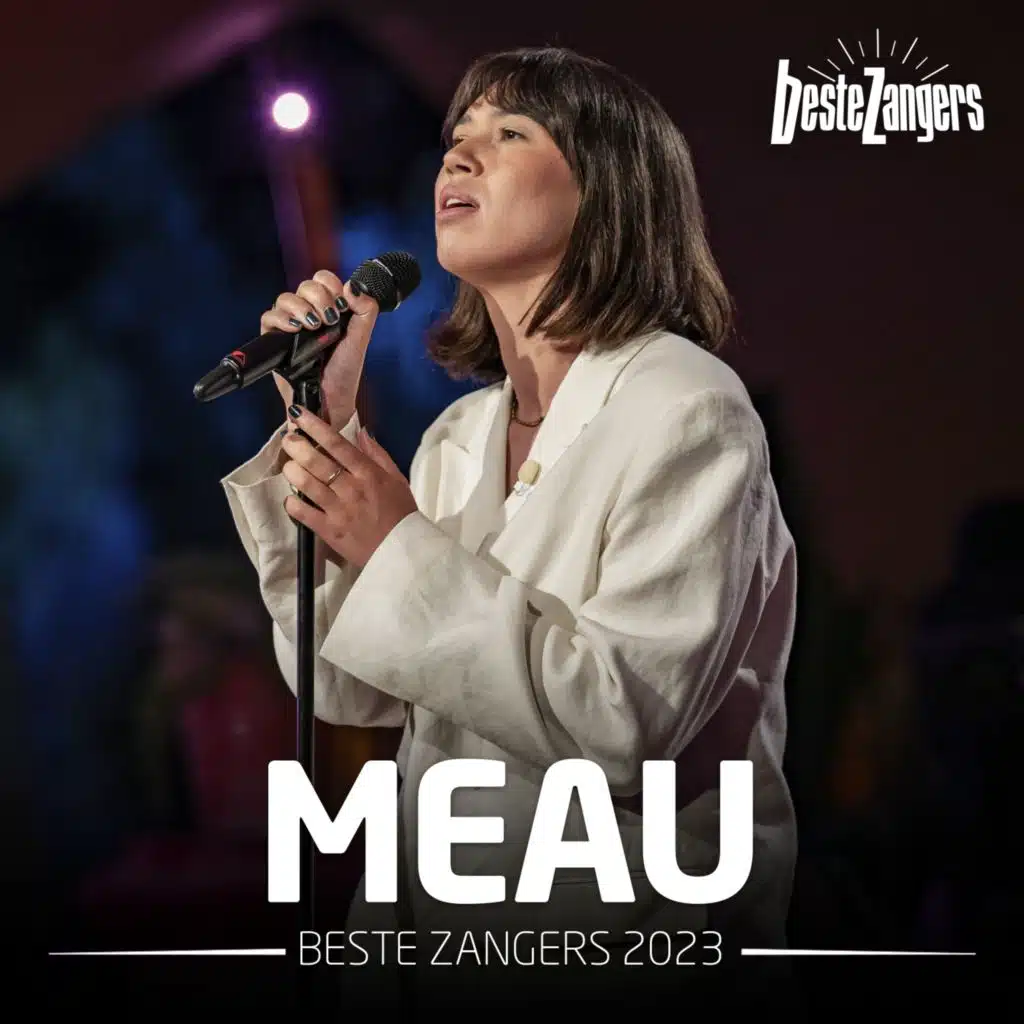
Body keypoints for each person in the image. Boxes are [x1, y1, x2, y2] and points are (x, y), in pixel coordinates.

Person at [222, 46, 797, 1009]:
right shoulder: (459, 436)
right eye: (457, 138)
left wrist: (398, 544)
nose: (458, 155)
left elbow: (625, 719)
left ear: (607, 189)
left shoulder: (688, 409)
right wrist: (327, 423)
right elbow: (349, 688)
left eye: (510, 132)